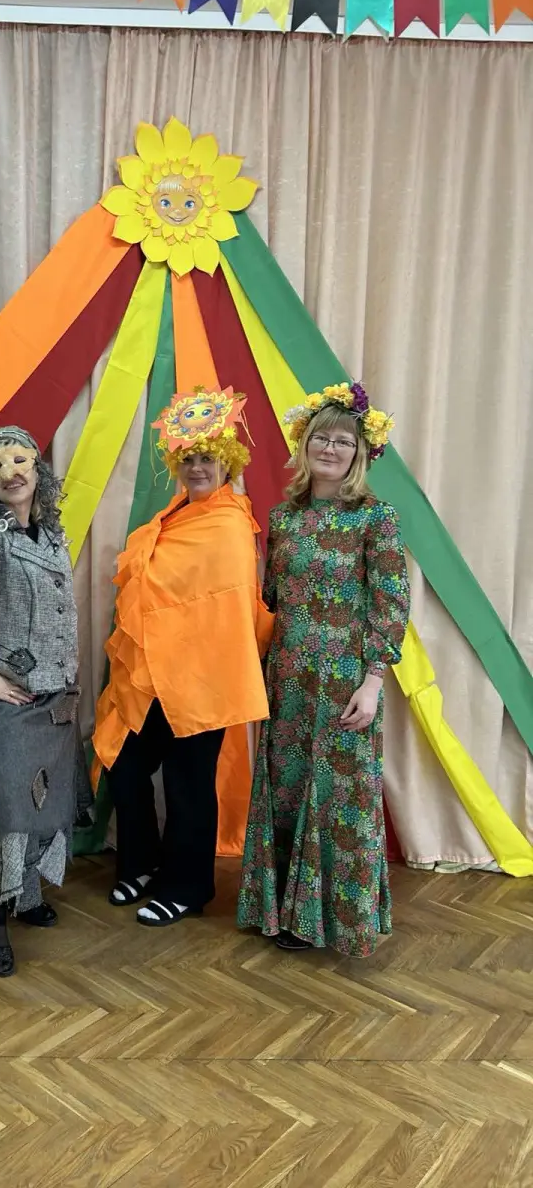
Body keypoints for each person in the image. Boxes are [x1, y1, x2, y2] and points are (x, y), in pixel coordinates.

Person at [92, 387, 274, 928]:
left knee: (188, 784)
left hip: (202, 676)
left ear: (228, 463)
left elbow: (225, 607)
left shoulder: (230, 524)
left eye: (208, 458)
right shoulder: (174, 515)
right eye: (189, 458)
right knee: (126, 765)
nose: (197, 467)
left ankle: (188, 887)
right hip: (154, 673)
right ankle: (142, 863)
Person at [237, 383, 408, 957]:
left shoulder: (376, 518)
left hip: (345, 684)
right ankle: (285, 915)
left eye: (343, 441)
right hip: (287, 680)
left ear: (360, 453)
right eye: (321, 438)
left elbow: (391, 602)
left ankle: (336, 921)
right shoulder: (283, 518)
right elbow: (269, 600)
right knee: (286, 793)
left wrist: (374, 681)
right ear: (304, 445)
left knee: (341, 799)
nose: (330, 448)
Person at [0, 426, 90, 979]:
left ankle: (27, 894)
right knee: (10, 809)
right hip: (14, 696)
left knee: (46, 800)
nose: (11, 473)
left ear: (37, 468)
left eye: (20, 461)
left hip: (57, 694)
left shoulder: (52, 533)